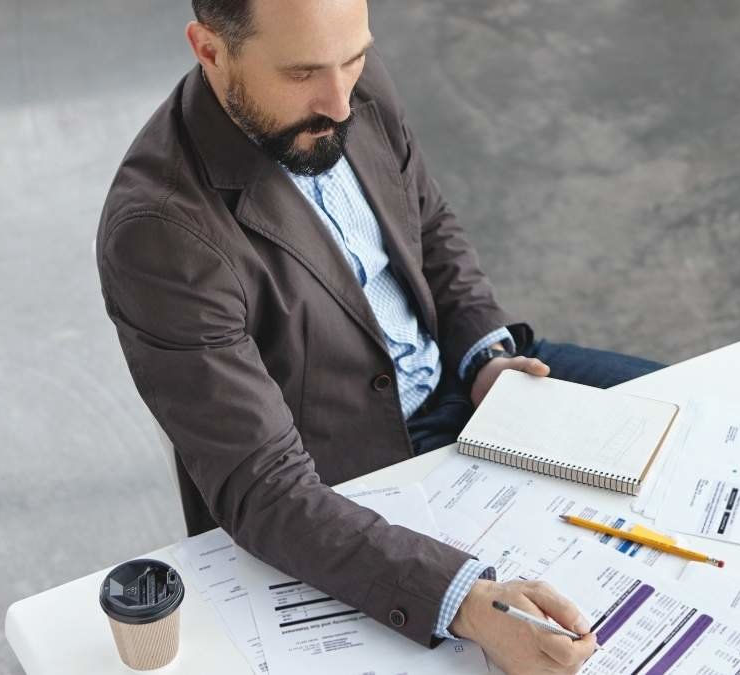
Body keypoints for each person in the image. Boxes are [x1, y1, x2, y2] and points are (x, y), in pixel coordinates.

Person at [95, 1, 664, 672]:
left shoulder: (341, 70)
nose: (341, 102)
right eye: (304, 71)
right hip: (347, 484)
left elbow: (429, 222)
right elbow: (267, 489)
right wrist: (466, 601)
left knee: (700, 427)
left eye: (354, 58)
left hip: (467, 384)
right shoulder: (159, 232)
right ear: (211, 50)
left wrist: (486, 355)